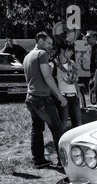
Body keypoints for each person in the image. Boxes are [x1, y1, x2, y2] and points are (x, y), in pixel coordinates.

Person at [23, 31, 67, 169]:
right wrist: (60, 96)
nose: (50, 46)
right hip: (42, 98)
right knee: (57, 128)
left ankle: (39, 160)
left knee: (36, 129)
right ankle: (63, 162)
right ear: (40, 41)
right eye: (48, 43)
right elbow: (47, 77)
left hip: (31, 97)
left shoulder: (27, 56)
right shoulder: (42, 54)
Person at [49, 41, 82, 132]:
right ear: (62, 50)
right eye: (70, 50)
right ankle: (62, 144)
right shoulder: (53, 64)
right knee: (63, 125)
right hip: (62, 97)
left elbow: (75, 80)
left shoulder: (72, 63)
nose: (72, 53)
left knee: (78, 124)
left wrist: (78, 92)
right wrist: (58, 96)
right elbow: (49, 81)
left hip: (74, 97)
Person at [84, 30, 97, 103]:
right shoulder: (93, 48)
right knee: (93, 100)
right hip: (93, 75)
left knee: (96, 99)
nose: (87, 39)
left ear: (95, 38)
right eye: (86, 37)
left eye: (88, 37)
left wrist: (95, 78)